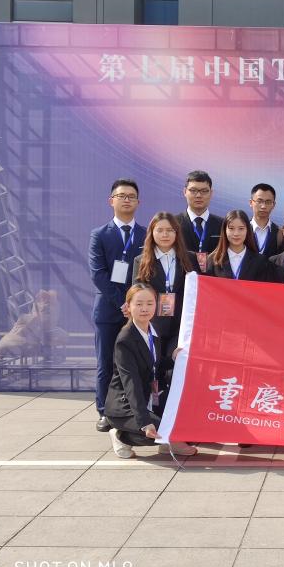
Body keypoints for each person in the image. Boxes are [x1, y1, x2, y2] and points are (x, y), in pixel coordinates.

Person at [104, 283, 197, 459]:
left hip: (150, 395)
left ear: (156, 305)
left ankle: (167, 443)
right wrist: (145, 422)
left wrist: (172, 358)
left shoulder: (153, 331)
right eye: (139, 304)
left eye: (149, 303)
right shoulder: (125, 339)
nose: (144, 309)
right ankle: (120, 435)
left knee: (183, 425)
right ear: (128, 307)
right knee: (158, 430)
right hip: (126, 404)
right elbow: (130, 383)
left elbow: (155, 365)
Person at [88, 179, 146, 432]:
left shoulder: (147, 234)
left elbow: (148, 272)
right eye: (121, 196)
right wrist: (123, 302)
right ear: (111, 200)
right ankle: (104, 412)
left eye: (131, 196)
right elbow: (98, 274)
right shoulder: (99, 234)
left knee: (138, 363)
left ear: (138, 202)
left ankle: (137, 411)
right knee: (106, 363)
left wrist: (134, 304)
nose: (126, 200)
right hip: (108, 310)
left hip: (140, 312)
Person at [131, 212, 198, 413]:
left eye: (170, 230)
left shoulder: (189, 258)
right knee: (154, 371)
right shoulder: (141, 260)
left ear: (177, 233)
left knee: (176, 370)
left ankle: (176, 414)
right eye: (160, 230)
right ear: (152, 233)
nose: (165, 235)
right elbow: (136, 294)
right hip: (153, 327)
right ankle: (155, 416)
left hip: (180, 327)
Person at [175, 171, 222, 274]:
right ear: (185, 192)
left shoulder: (223, 225)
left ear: (211, 193)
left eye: (204, 191)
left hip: (214, 280)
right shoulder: (173, 224)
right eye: (193, 190)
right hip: (182, 280)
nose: (199, 195)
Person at [209, 209, 269, 282]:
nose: (236, 233)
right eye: (231, 228)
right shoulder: (213, 260)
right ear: (225, 230)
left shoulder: (259, 261)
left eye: (241, 229)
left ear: (247, 230)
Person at [249, 183, 284, 259]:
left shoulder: (279, 233)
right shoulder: (242, 229)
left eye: (268, 202)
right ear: (251, 203)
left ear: (273, 205)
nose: (263, 206)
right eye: (259, 201)